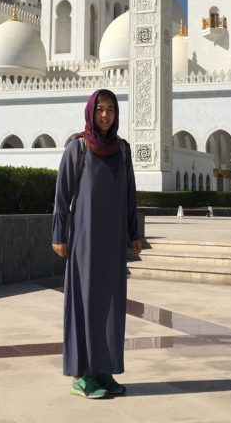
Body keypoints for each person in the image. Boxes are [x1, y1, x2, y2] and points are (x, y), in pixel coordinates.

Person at [52, 89, 140, 399]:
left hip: (113, 241)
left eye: (111, 110)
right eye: (100, 109)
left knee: (111, 305)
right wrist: (58, 235)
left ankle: (104, 370)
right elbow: (62, 196)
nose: (105, 115)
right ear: (91, 112)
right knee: (85, 304)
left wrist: (134, 232)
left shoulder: (123, 150)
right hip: (85, 240)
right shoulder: (77, 148)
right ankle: (82, 375)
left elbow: (130, 195)